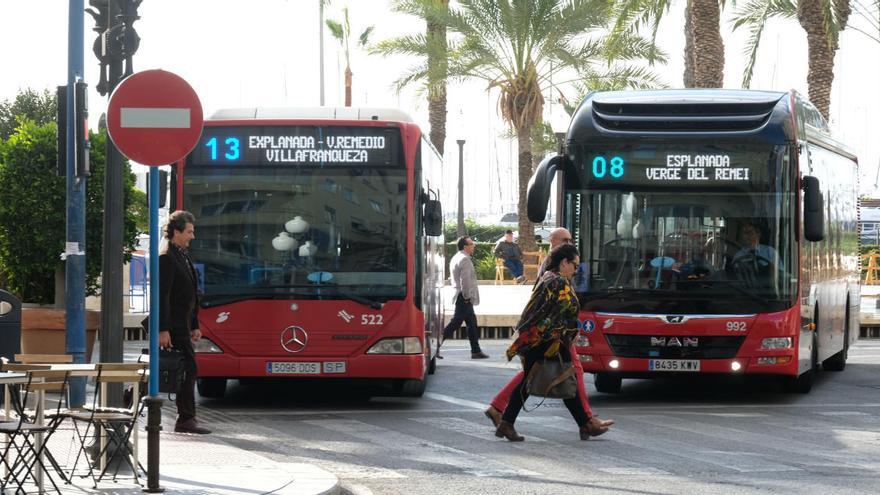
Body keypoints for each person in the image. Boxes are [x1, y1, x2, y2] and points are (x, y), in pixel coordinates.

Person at [485, 228, 613, 437]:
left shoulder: (549, 277)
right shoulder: (558, 282)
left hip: (542, 338)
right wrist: (572, 333)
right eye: (574, 265)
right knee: (556, 377)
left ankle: (583, 423)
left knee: (554, 378)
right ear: (564, 262)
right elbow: (564, 312)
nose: (576, 270)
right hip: (548, 339)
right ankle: (584, 423)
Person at [159, 210, 211, 434]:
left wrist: (194, 325)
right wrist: (163, 329)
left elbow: (189, 292)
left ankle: (130, 394)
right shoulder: (166, 256)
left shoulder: (181, 254)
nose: (193, 236)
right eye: (189, 232)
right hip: (173, 325)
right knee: (187, 368)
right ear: (176, 232)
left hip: (182, 324)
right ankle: (186, 419)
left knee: (171, 367)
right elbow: (163, 295)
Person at [441, 236, 489, 359]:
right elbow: (465, 280)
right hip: (463, 296)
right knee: (456, 322)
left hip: (461, 295)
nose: (474, 246)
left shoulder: (457, 257)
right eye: (471, 244)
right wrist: (467, 296)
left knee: (471, 322)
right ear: (465, 246)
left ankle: (476, 351)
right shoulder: (464, 260)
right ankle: (435, 345)